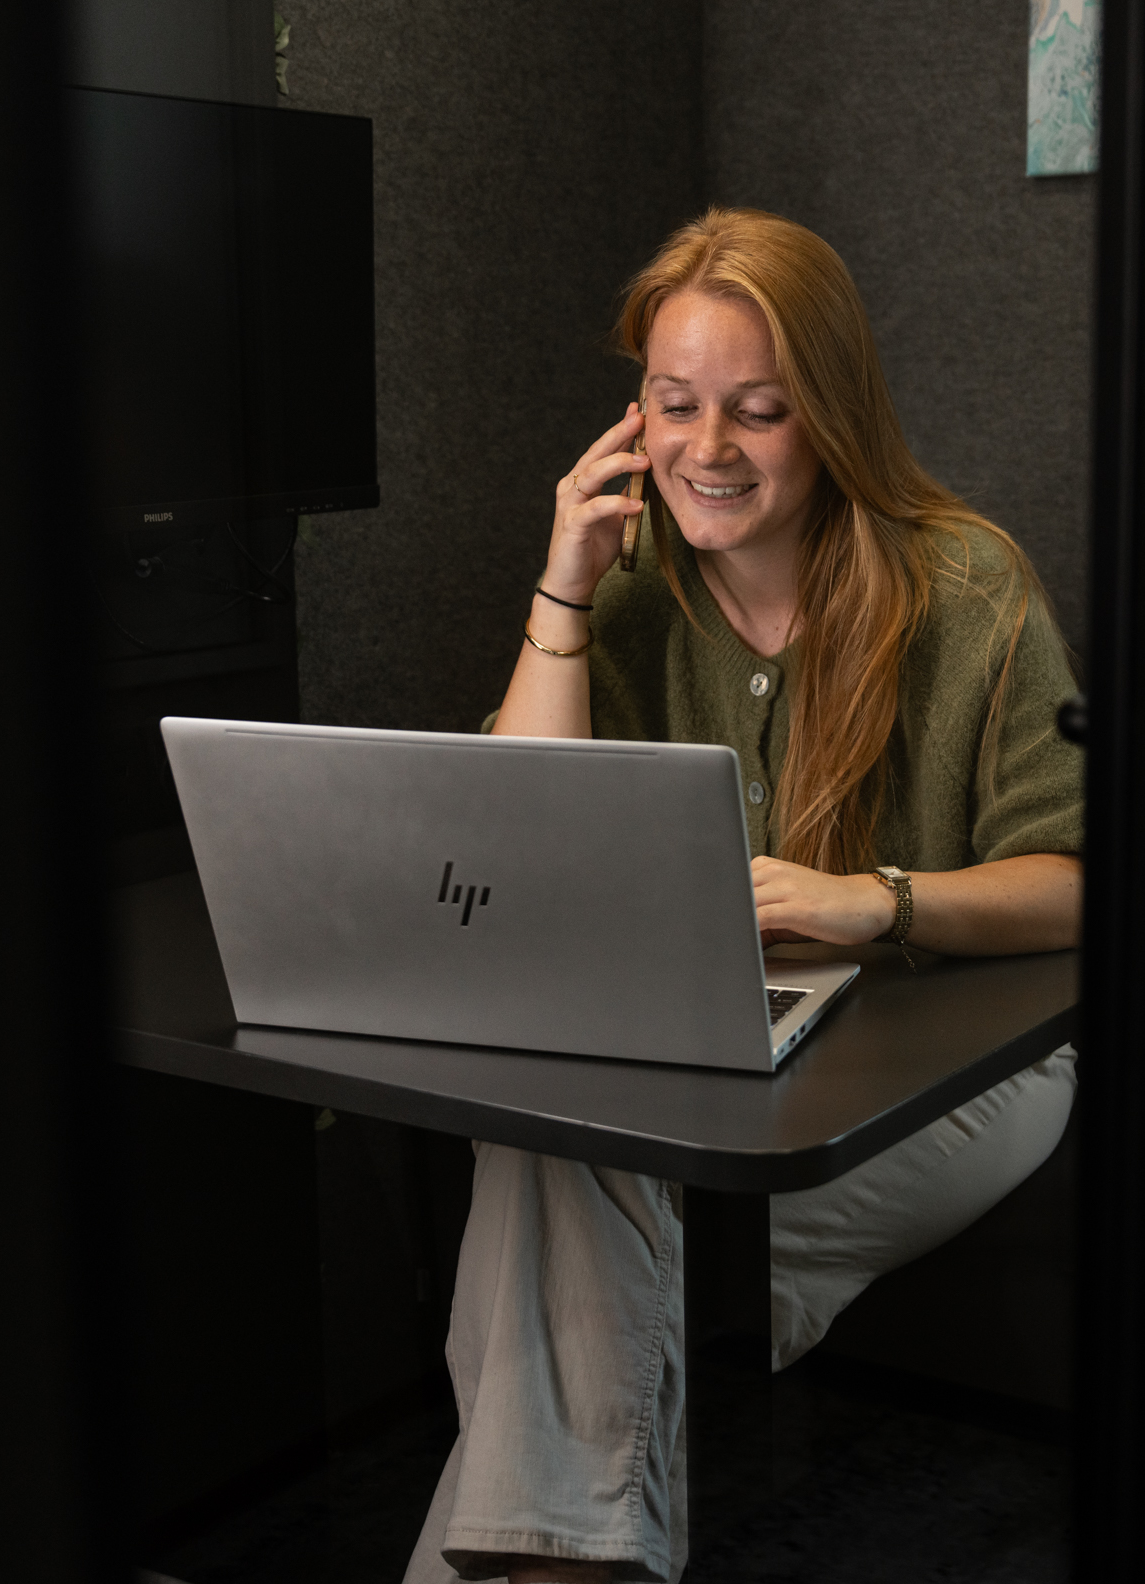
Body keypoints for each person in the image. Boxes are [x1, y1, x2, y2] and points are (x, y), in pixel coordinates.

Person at [404, 208, 1085, 1584]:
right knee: (571, 1175)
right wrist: (565, 590)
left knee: (573, 1225)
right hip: (708, 1056)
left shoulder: (970, 585)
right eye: (675, 405)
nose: (708, 449)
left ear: (827, 413)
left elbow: (1079, 883)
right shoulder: (635, 589)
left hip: (960, 1067)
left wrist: (877, 903)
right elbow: (516, 848)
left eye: (758, 412)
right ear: (633, 417)